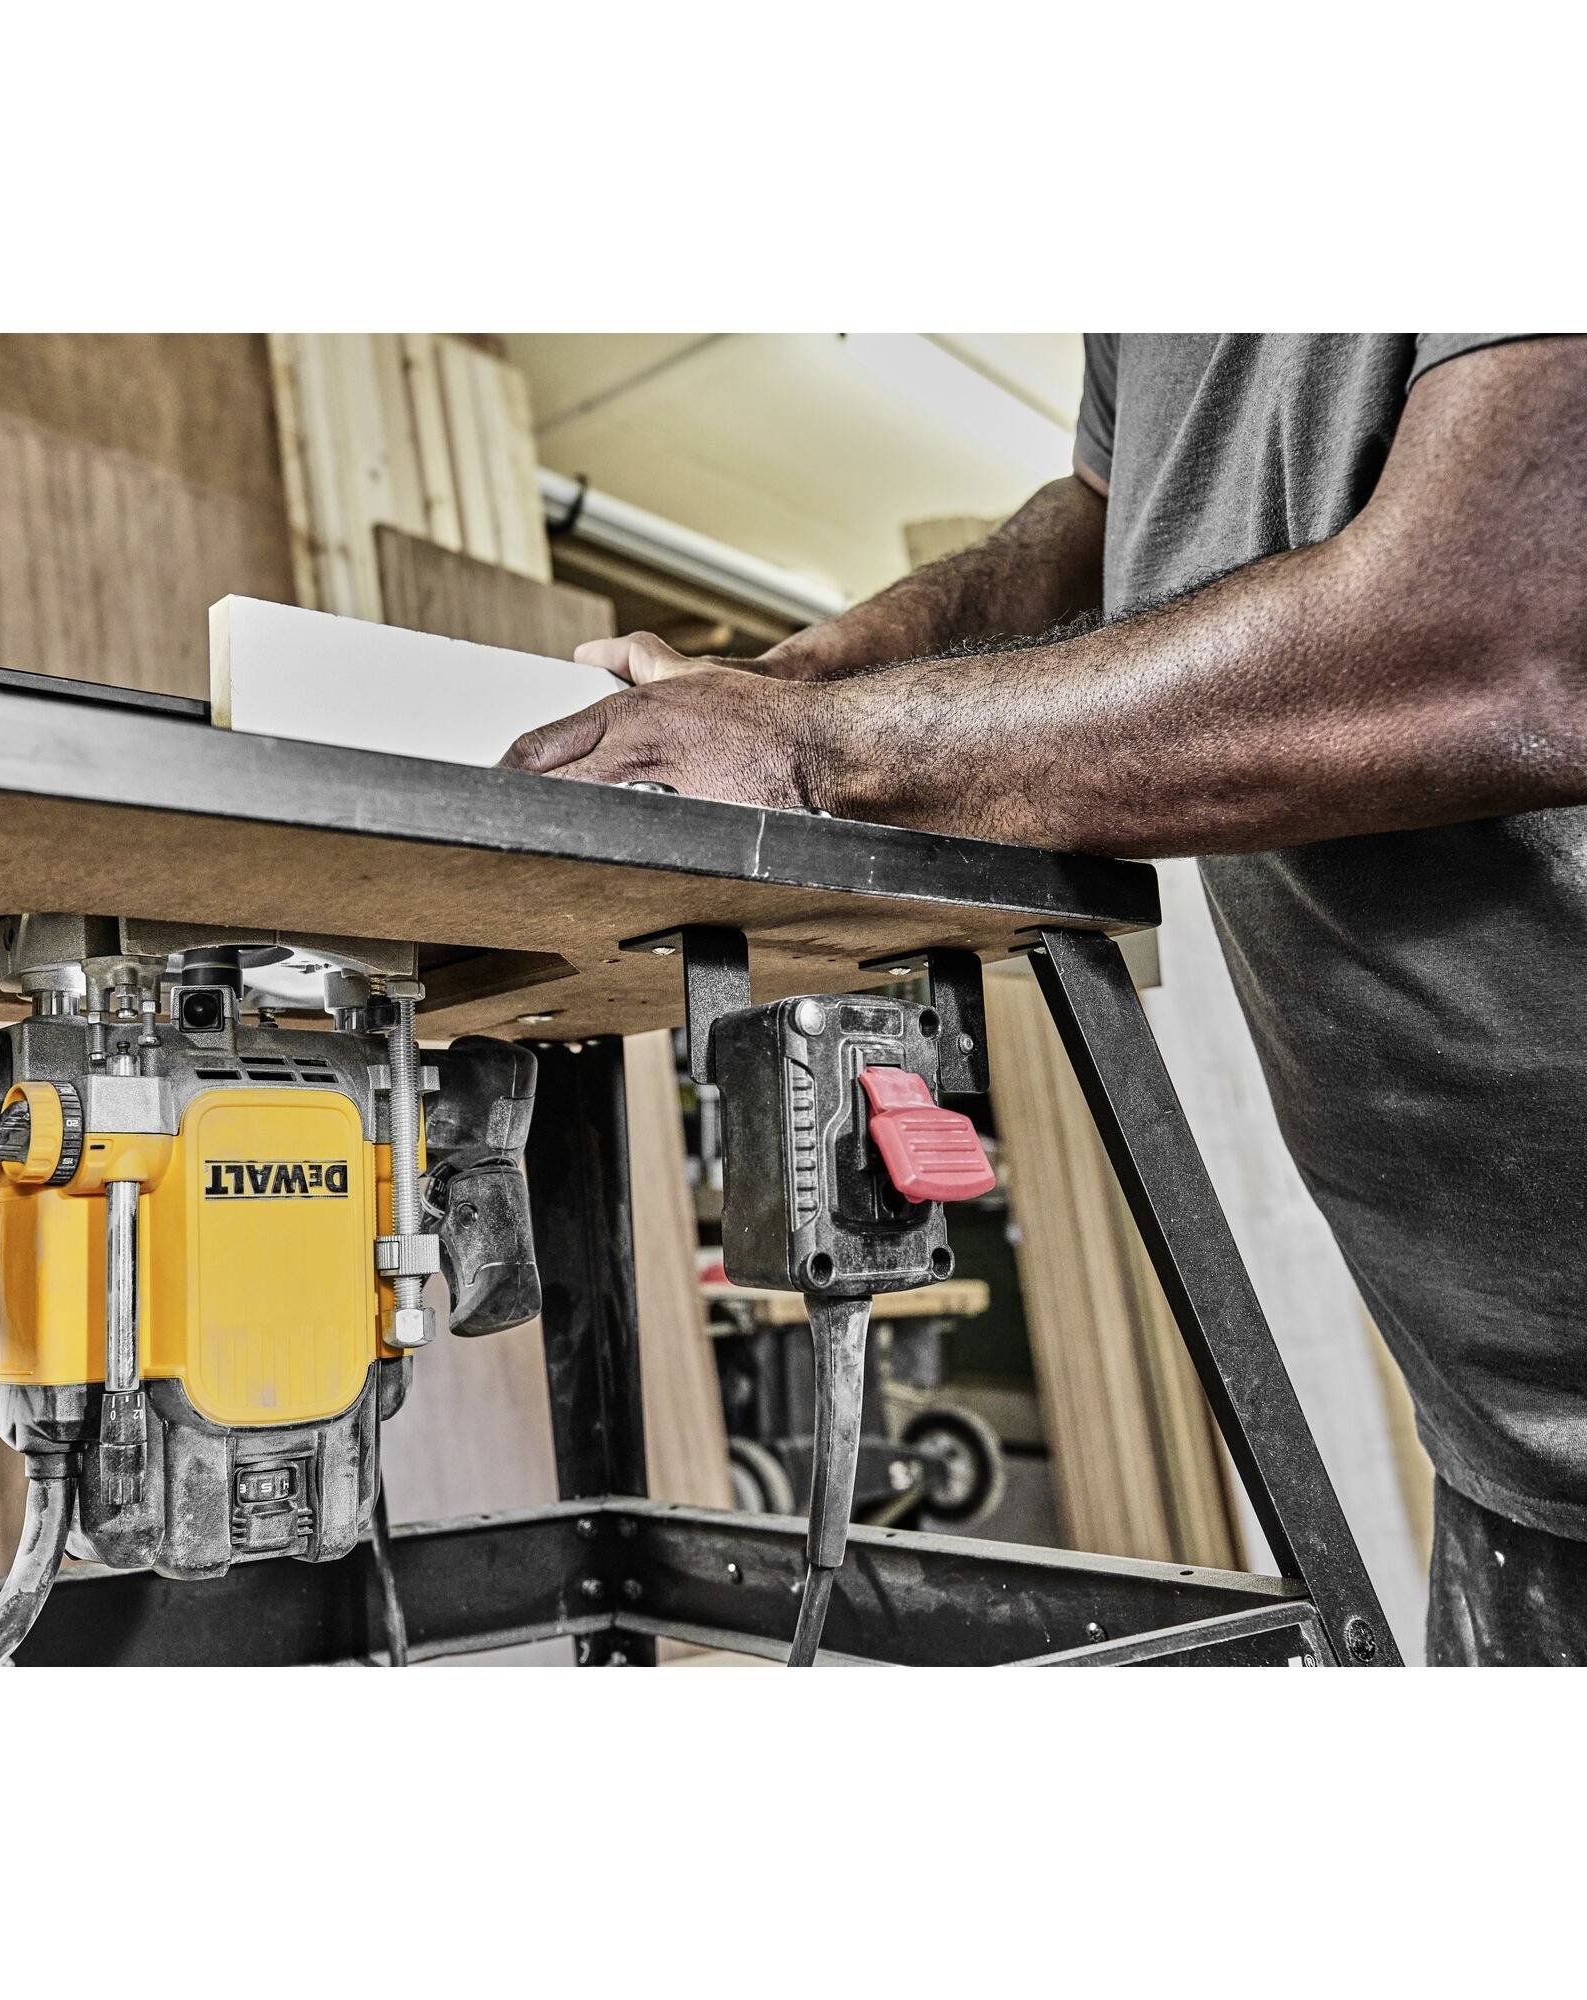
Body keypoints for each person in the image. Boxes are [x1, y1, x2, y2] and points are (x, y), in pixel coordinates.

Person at [502, 335, 1587, 1666]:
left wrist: (822, 754)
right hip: (1503, 1416)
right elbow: (1084, 528)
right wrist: (810, 682)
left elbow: (1498, 639)